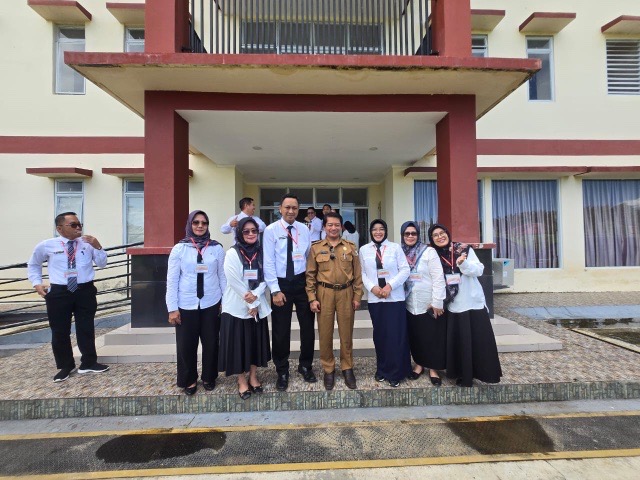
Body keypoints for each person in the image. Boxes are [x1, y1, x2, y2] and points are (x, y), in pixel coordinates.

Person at [27, 212, 109, 382]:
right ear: (60, 228)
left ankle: (88, 362)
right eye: (73, 225)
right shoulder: (47, 245)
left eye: (79, 224)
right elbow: (34, 264)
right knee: (60, 330)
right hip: (59, 292)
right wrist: (37, 283)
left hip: (84, 290)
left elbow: (102, 263)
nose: (78, 228)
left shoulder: (88, 243)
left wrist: (98, 247)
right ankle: (66, 365)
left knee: (86, 327)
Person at [428, 223, 502, 387]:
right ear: (432, 239)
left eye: (442, 233)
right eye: (435, 235)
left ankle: (483, 373)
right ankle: (463, 375)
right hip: (453, 305)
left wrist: (464, 264)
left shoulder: (463, 249)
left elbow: (479, 270)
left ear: (447, 233)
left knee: (478, 342)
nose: (440, 237)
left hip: (472, 302)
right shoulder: (434, 255)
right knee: (460, 343)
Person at [166, 210, 226, 395]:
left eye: (204, 223)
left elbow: (222, 277)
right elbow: (172, 280)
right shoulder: (179, 249)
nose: (200, 226)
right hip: (186, 304)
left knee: (211, 342)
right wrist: (172, 308)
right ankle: (189, 379)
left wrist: (225, 302)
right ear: (190, 225)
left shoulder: (216, 248)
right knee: (186, 345)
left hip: (211, 303)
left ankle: (209, 376)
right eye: (196, 222)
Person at [263, 194, 316, 391]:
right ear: (280, 209)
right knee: (281, 330)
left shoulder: (304, 229)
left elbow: (308, 256)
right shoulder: (271, 230)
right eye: (287, 207)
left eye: (294, 207)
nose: (291, 211)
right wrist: (275, 290)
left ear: (298, 209)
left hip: (302, 283)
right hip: (281, 284)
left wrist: (310, 286)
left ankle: (305, 365)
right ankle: (282, 370)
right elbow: (268, 261)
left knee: (307, 328)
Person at [306, 212, 363, 390]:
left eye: (337, 225)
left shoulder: (350, 247)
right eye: (330, 225)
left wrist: (357, 296)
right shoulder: (316, 248)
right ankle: (328, 369)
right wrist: (312, 298)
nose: (333, 228)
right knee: (325, 333)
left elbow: (357, 274)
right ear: (324, 227)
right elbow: (310, 275)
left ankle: (347, 368)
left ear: (341, 227)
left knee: (346, 333)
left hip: (346, 293)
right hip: (324, 293)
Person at [219, 218, 271, 400]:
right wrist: (251, 304)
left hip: (257, 304)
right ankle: (241, 380)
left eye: (254, 231)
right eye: (246, 231)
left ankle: (253, 376)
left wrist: (256, 296)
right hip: (236, 307)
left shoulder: (262, 252)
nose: (250, 234)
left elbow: (266, 276)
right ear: (239, 233)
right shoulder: (232, 253)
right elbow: (233, 280)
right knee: (238, 345)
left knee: (255, 343)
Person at [359, 219, 410, 387]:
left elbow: (405, 270)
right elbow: (362, 273)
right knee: (380, 335)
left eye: (381, 229)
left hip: (394, 298)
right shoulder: (364, 249)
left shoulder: (395, 248)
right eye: (375, 229)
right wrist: (372, 288)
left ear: (386, 231)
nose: (378, 232)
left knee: (395, 335)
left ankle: (396, 372)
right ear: (370, 231)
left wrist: (390, 286)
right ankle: (382, 369)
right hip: (376, 299)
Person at [401, 221, 446, 386]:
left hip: (428, 303)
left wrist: (437, 302)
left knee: (432, 337)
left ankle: (433, 368)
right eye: (407, 233)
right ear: (402, 235)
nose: (410, 236)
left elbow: (438, 277)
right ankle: (419, 364)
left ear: (418, 235)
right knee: (416, 336)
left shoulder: (428, 252)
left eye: (413, 233)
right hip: (409, 303)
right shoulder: (400, 252)